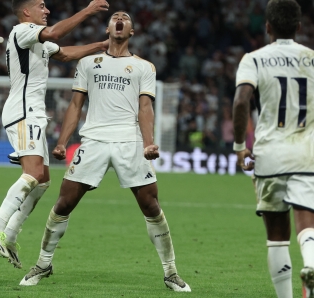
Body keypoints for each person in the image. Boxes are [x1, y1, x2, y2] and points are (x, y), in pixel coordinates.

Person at [18, 11, 191, 292]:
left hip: (130, 141)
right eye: (114, 18)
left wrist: (148, 142)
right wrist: (62, 141)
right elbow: (76, 105)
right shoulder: (88, 63)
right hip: (94, 140)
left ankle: (171, 272)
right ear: (108, 28)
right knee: (64, 202)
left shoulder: (144, 67)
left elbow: (145, 107)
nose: (119, 20)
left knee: (151, 205)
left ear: (132, 31)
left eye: (125, 18)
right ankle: (43, 263)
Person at [0, 0, 111, 269]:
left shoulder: (36, 39)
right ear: (27, 12)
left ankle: (11, 235)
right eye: (41, 6)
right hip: (23, 112)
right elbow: (53, 33)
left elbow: (64, 53)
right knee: (31, 174)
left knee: (41, 181)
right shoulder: (22, 30)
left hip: (34, 113)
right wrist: (87, 11)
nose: (47, 10)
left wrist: (100, 46)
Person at [232, 1, 314, 297]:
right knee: (308, 227)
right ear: (298, 27)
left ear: (267, 26)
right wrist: (311, 132)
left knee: (277, 238)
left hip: (269, 155)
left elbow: (242, 100)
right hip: (306, 155)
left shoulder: (253, 59)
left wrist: (239, 147)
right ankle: (310, 267)